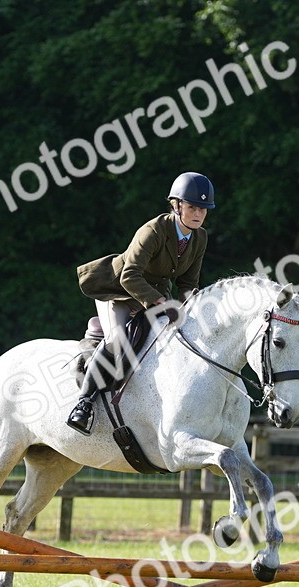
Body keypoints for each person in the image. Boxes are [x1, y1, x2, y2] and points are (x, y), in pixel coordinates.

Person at [66, 172, 215, 435]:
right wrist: (160, 301)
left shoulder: (199, 237)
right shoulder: (154, 230)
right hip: (120, 291)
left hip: (155, 296)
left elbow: (188, 283)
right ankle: (84, 404)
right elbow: (129, 275)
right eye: (192, 207)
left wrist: (191, 310)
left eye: (203, 209)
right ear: (176, 205)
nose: (198, 214)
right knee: (118, 340)